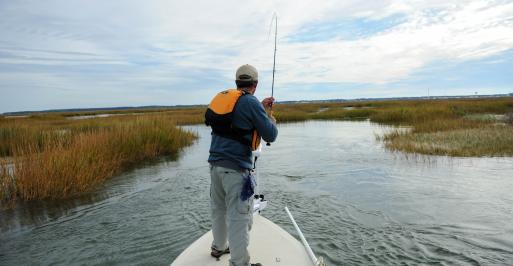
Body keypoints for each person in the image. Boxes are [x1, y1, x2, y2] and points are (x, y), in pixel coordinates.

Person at [206, 64, 278, 266]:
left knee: (219, 210)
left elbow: (239, 118)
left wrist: (260, 108)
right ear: (255, 84)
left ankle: (218, 247)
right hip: (236, 170)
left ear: (237, 82)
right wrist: (269, 117)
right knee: (239, 219)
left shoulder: (226, 99)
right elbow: (270, 134)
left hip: (214, 166)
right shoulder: (250, 103)